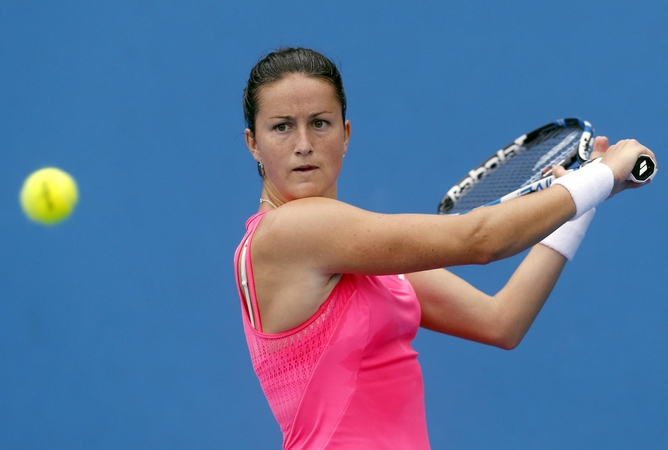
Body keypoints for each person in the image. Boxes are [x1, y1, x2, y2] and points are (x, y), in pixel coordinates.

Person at [234, 47, 656, 449]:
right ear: (254, 143)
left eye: (320, 123)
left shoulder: (354, 250)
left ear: (345, 134)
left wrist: (584, 201)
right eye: (282, 126)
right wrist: (599, 176)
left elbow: (501, 321)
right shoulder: (291, 230)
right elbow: (481, 239)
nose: (303, 143)